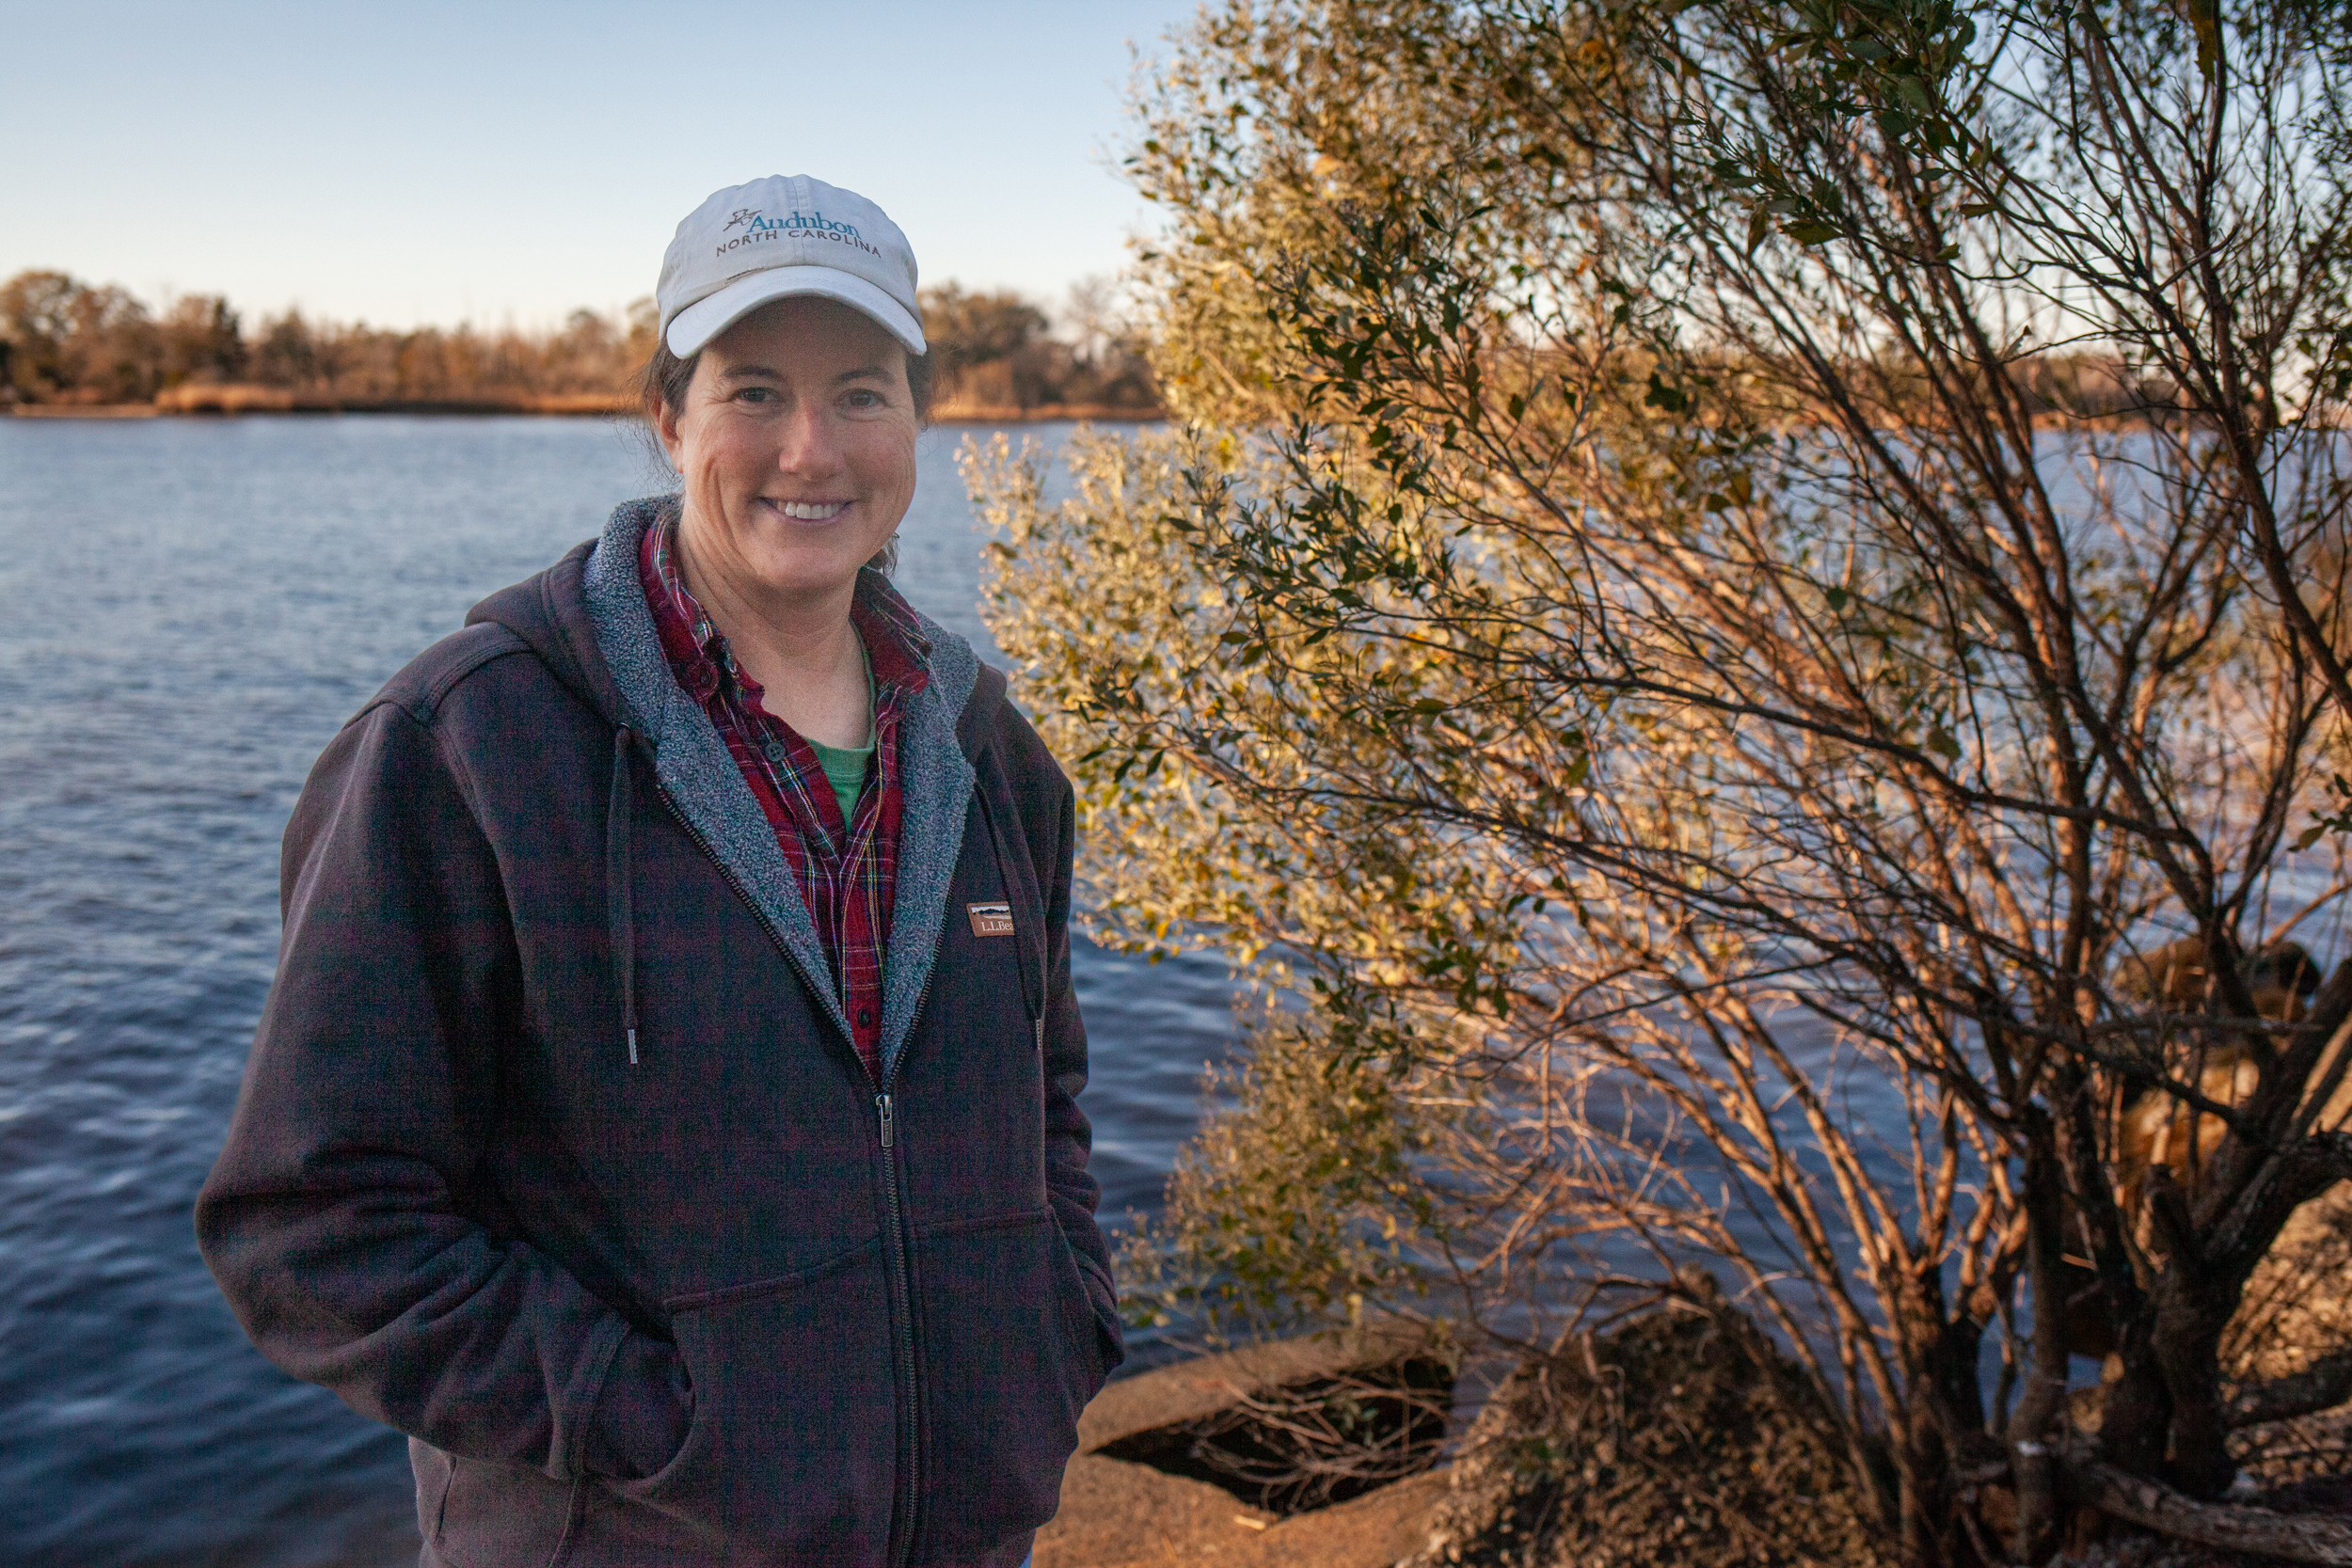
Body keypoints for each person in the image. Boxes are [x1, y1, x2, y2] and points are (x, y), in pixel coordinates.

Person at [196, 174, 1120, 1567]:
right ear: (667, 417)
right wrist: (662, 1427)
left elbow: (1043, 1093)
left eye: (863, 393)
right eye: (755, 391)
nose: (812, 449)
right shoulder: (465, 748)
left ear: (920, 422)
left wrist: (1053, 1331)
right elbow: (311, 1225)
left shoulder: (991, 754)